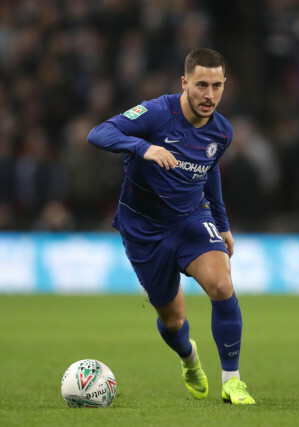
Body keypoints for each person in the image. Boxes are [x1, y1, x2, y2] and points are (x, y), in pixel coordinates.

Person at [88, 48, 255, 404]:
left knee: (222, 285)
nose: (209, 95)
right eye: (201, 85)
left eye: (217, 86)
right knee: (174, 320)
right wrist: (140, 148)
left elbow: (210, 176)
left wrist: (222, 225)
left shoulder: (222, 132)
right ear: (184, 83)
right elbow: (98, 133)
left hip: (192, 220)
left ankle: (232, 380)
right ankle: (189, 359)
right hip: (143, 228)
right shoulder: (155, 113)